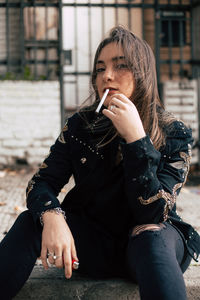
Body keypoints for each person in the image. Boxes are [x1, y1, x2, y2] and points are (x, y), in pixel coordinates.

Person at [0, 25, 200, 300]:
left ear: (143, 74)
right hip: (93, 245)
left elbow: (153, 213)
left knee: (150, 234)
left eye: (121, 66)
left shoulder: (173, 132)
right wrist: (53, 217)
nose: (107, 76)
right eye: (100, 68)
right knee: (29, 222)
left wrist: (136, 140)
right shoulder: (80, 127)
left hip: (150, 246)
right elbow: (42, 182)